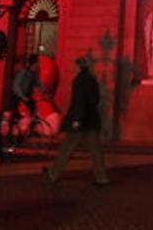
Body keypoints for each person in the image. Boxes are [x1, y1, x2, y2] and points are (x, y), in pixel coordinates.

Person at [44, 57, 109, 185]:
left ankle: (53, 173)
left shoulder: (78, 81)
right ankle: (102, 177)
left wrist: (76, 119)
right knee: (95, 150)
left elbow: (78, 101)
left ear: (79, 67)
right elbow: (96, 100)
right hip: (92, 119)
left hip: (80, 120)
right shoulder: (92, 80)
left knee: (67, 147)